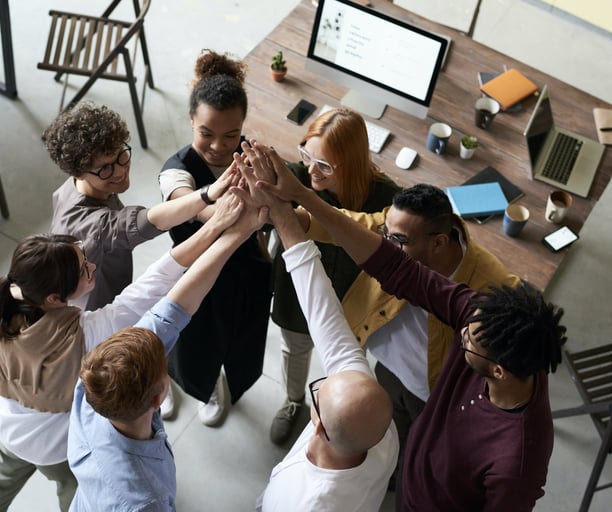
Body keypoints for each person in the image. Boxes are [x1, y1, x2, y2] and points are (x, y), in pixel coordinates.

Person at [236, 142, 568, 511]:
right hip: (410, 473)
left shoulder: (519, 460)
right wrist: (297, 199)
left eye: (468, 342)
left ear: (498, 370)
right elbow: (395, 267)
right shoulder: (481, 318)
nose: (461, 332)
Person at [0, 193, 242, 511]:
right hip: (55, 448)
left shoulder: (13, 296)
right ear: (56, 298)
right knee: (76, 494)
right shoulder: (88, 335)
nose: (93, 267)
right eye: (84, 269)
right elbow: (157, 283)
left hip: (8, 429)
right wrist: (217, 228)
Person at [305, 184, 520, 483]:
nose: (384, 246)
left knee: (418, 453)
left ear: (439, 242)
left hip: (431, 394)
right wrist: (298, 219)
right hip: (387, 370)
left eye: (398, 241)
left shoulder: (491, 287)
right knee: (385, 432)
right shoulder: (398, 224)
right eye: (386, 234)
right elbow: (350, 224)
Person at [68, 195, 266, 511]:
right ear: (160, 395)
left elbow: (173, 309)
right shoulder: (147, 500)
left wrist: (237, 233)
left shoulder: (93, 386)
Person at [232, 158, 398, 512]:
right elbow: (325, 314)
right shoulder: (379, 431)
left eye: (316, 393)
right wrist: (284, 216)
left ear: (318, 425)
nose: (323, 382)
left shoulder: (312, 504)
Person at [268, 107, 399, 445]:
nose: (311, 170)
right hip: (298, 297)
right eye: (306, 155)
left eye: (324, 165)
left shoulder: (388, 202)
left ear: (352, 165)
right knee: (294, 350)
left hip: (354, 306)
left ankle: (334, 418)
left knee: (345, 370)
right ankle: (294, 400)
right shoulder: (293, 177)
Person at [158, 49, 273, 426]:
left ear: (243, 126)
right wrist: (224, 210)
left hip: (245, 272)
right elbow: (191, 205)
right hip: (195, 272)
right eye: (206, 133)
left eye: (231, 135)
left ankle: (220, 387)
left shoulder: (253, 156)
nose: (219, 146)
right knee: (188, 342)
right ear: (191, 119)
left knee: (243, 343)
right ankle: (175, 385)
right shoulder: (175, 172)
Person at [43, 102, 237, 312]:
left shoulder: (70, 189)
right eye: (105, 168)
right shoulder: (94, 227)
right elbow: (147, 220)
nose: (119, 171)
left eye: (120, 156)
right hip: (100, 313)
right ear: (78, 172)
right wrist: (209, 193)